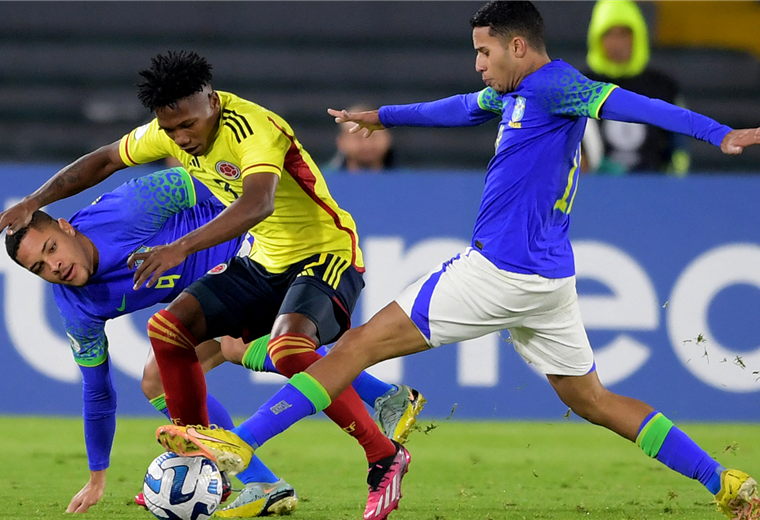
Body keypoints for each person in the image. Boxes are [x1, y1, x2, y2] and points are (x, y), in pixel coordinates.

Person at [152, 2, 760, 520]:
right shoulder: (520, 93)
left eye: (484, 52)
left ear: (518, 46)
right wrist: (381, 116)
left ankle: (238, 440)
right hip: (548, 281)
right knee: (593, 400)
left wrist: (716, 133)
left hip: (497, 270)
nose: (478, 64)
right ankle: (725, 483)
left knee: (356, 346)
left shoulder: (556, 84)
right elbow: (459, 108)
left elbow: (636, 104)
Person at [0, 51, 425, 518]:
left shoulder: (153, 194)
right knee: (163, 352)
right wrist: (34, 199)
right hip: (255, 260)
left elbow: (254, 201)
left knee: (262, 347)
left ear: (211, 100)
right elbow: (104, 159)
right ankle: (242, 473)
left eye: (188, 125)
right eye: (39, 267)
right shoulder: (76, 304)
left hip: (291, 248)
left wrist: (180, 247)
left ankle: (371, 446)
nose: (182, 139)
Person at [582, 0, 689, 175]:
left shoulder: (663, 87)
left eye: (624, 34)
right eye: (609, 34)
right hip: (597, 191)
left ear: (638, 35)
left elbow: (679, 149)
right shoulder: (581, 86)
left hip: (653, 189)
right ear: (596, 38)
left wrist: (673, 186)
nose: (617, 43)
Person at [323, 103, 395, 173]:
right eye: (358, 137)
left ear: (388, 138)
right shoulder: (322, 179)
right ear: (341, 141)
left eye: (373, 136)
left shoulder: (404, 177)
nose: (367, 144)